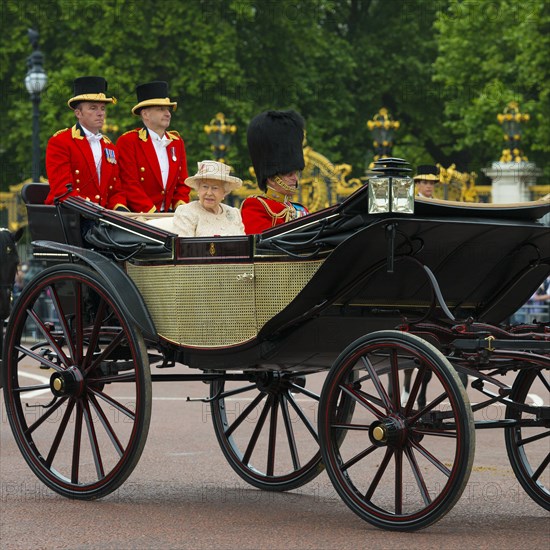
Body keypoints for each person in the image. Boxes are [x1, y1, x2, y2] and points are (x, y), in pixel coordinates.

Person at [45, 76, 128, 210]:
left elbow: (115, 191)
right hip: (70, 217)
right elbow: (62, 191)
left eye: (102, 108)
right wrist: (94, 211)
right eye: (93, 108)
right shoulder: (60, 142)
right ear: (78, 113)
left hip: (103, 219)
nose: (100, 113)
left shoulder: (109, 147)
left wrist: (120, 210)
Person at [117, 81, 190, 213]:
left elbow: (182, 183)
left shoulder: (177, 142)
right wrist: (151, 213)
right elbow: (129, 183)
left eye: (168, 109)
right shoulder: (129, 141)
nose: (168, 114)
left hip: (169, 215)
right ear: (145, 114)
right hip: (140, 216)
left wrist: (180, 209)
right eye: (161, 109)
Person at [241, 110, 309, 234]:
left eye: (295, 173)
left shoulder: (300, 209)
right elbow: (260, 244)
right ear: (272, 178)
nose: (295, 179)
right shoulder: (256, 206)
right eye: (289, 174)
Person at [147, 160, 244, 237]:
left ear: (224, 192)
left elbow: (243, 247)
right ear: (198, 189)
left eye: (215, 188)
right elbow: (184, 250)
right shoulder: (186, 212)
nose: (209, 193)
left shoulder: (234, 213)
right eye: (205, 187)